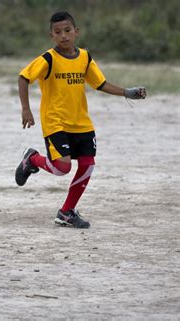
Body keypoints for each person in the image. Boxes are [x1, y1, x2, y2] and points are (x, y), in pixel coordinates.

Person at [15, 11, 146, 228]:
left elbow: (100, 83)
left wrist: (127, 92)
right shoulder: (48, 59)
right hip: (55, 122)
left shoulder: (85, 57)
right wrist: (25, 109)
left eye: (67, 31)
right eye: (58, 32)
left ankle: (66, 212)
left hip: (81, 123)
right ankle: (32, 160)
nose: (64, 36)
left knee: (87, 165)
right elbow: (23, 77)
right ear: (51, 36)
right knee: (61, 168)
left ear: (76, 32)